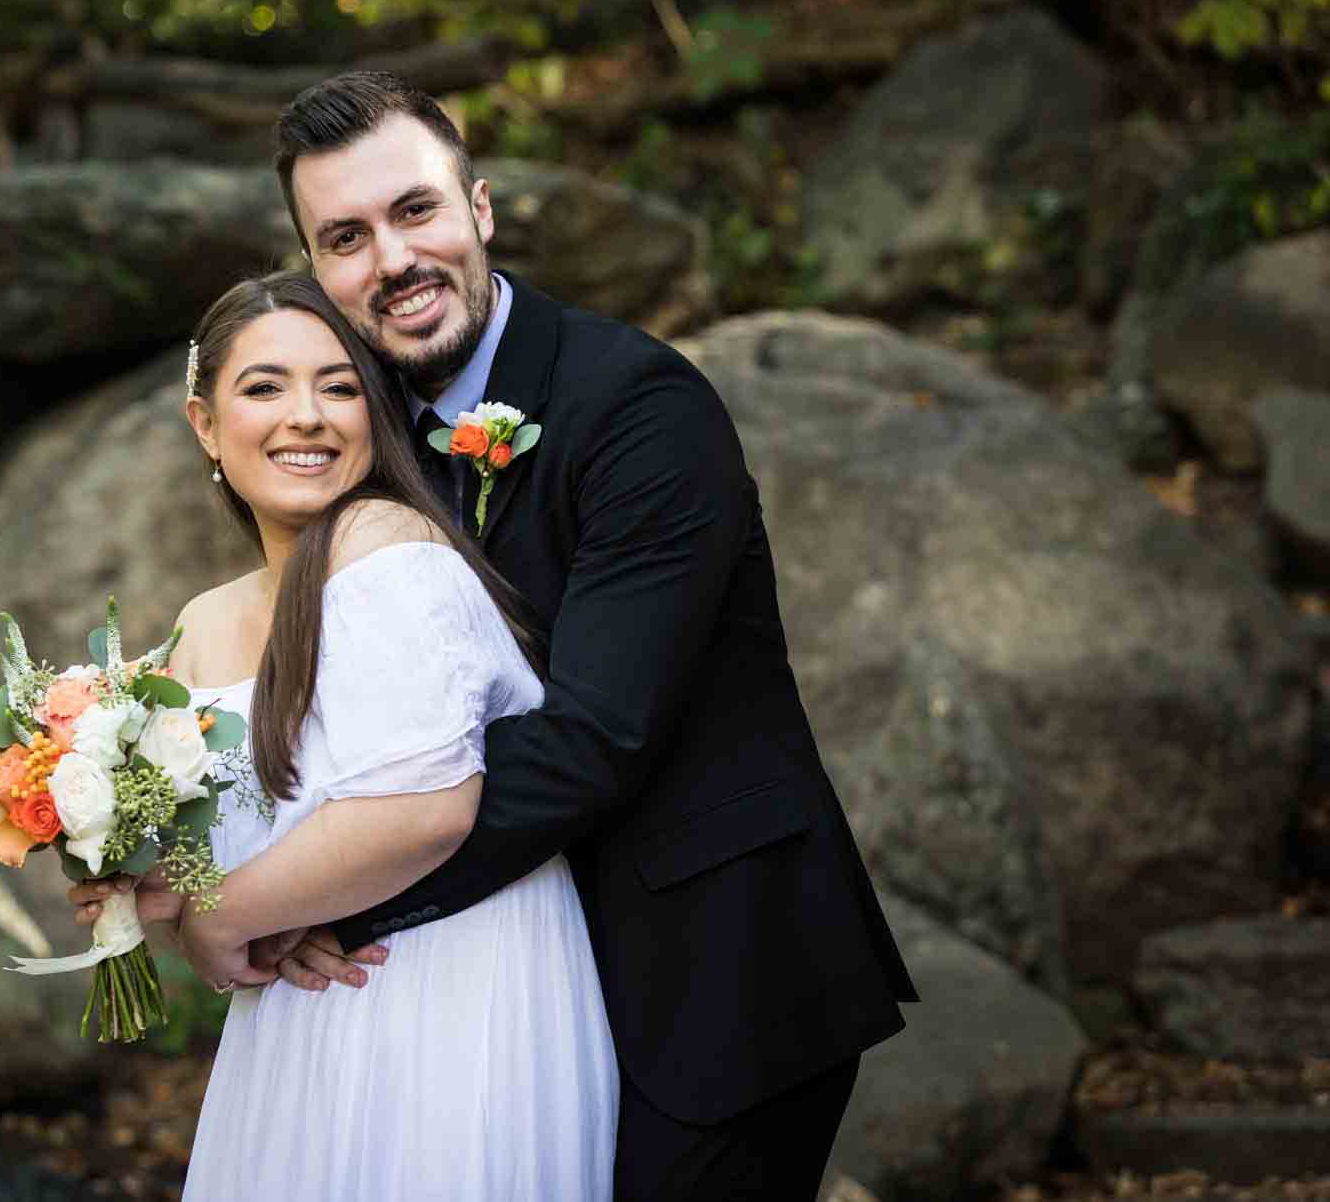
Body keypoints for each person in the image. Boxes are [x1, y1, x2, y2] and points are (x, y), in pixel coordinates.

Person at [83, 71, 917, 1199]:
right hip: (506, 986)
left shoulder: (637, 409)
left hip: (715, 974)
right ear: (318, 267)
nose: (390, 260)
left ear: (478, 207)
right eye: (344, 237)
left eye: (412, 210)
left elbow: (592, 735)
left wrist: (297, 899)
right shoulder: (364, 440)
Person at [132, 271, 617, 1198]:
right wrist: (126, 876)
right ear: (204, 423)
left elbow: (419, 811)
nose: (305, 416)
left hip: (445, 998)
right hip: (298, 1025)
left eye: (340, 386)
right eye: (264, 387)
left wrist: (220, 918)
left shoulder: (386, 542)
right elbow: (218, 857)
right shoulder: (198, 624)